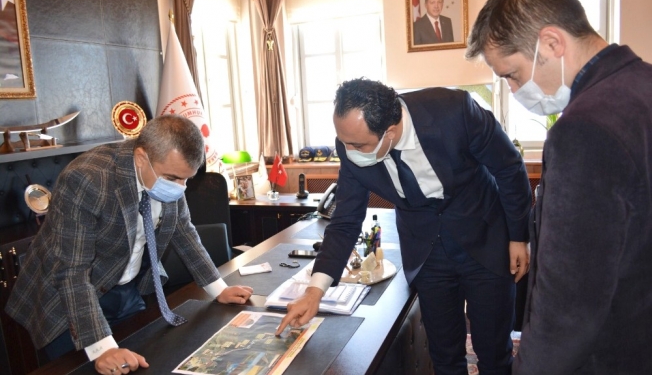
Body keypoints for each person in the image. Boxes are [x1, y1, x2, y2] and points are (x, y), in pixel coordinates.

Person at [277, 78, 532, 374]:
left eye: (357, 145)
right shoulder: (350, 142)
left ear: (390, 132)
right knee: (445, 355)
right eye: (344, 142)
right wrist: (314, 291)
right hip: (426, 250)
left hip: (484, 234)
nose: (348, 150)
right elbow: (345, 219)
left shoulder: (455, 111)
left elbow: (509, 168)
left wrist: (519, 236)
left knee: (494, 352)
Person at [466, 0, 652, 374]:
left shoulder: (584, 129)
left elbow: (570, 300)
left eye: (512, 74)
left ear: (551, 43)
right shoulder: (642, 83)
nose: (514, 89)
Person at [5, 115, 254, 374]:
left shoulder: (169, 175)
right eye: (173, 178)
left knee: (143, 361)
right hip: (66, 299)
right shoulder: (87, 179)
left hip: (125, 288)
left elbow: (184, 232)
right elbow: (71, 271)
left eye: (186, 179)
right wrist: (102, 349)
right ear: (141, 158)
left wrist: (218, 289)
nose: (180, 188)